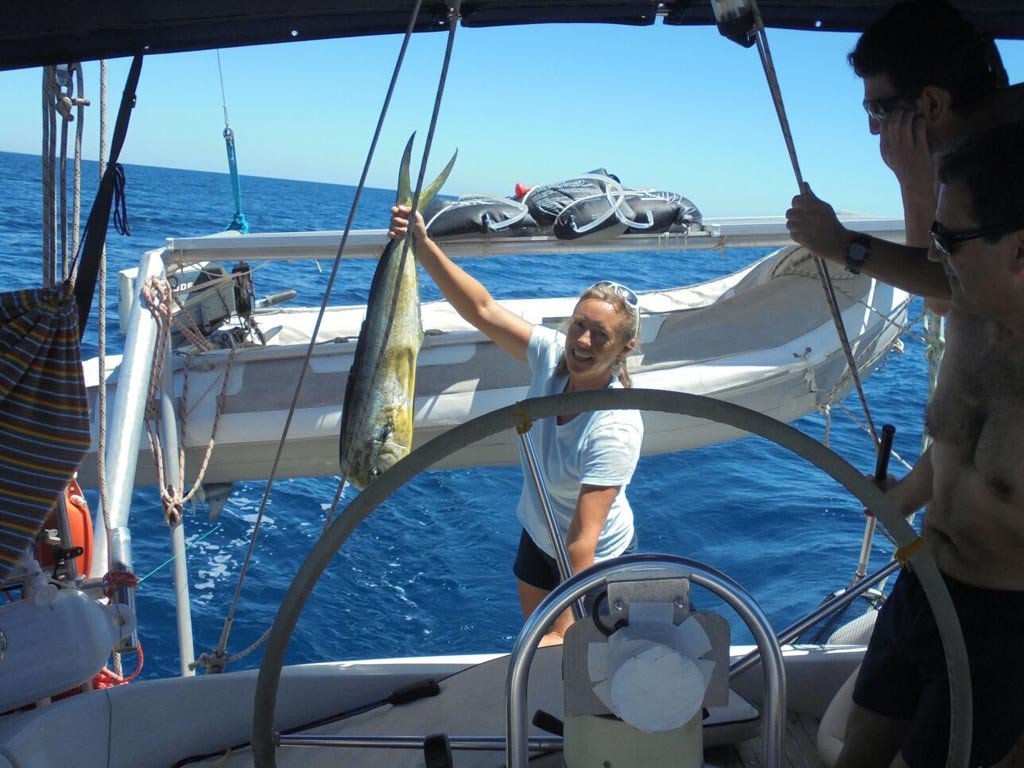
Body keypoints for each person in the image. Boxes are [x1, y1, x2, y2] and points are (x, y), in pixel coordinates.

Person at [835, 121, 1024, 768]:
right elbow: (957, 444)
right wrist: (905, 496)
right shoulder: (973, 317)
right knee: (862, 742)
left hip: (1003, 631)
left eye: (949, 240)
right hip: (923, 583)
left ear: (1020, 251)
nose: (936, 256)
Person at [389, 205, 644, 647]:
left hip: (596, 563)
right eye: (578, 326)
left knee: (570, 655)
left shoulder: (614, 427)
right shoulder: (551, 357)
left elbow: (584, 539)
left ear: (625, 347)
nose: (583, 341)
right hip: (540, 533)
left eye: (600, 335)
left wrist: (570, 622)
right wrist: (422, 245)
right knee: (541, 646)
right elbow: (483, 309)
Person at [785, 0, 1013, 303]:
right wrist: (915, 184)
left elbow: (950, 288)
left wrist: (842, 244)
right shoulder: (968, 162)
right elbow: (939, 294)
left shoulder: (1009, 166)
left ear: (932, 103)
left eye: (878, 110)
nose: (873, 128)